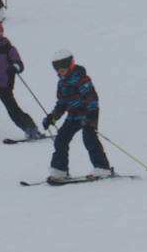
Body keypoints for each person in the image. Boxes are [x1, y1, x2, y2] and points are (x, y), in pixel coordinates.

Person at [42, 51, 112, 180]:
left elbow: (91, 98)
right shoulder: (61, 83)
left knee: (89, 139)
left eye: (63, 68)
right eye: (57, 69)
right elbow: (61, 104)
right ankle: (59, 170)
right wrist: (52, 117)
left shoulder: (81, 79)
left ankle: (102, 168)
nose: (60, 71)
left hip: (87, 115)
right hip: (73, 116)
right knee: (61, 139)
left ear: (70, 65)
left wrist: (91, 116)